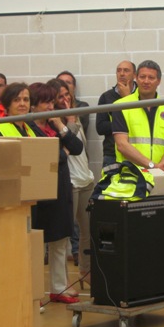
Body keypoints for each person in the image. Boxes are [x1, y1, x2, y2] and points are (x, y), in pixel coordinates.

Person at [28, 80, 84, 304]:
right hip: (38, 193)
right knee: (36, 245)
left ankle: (59, 288)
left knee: (60, 241)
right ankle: (34, 294)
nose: (51, 107)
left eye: (52, 102)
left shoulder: (53, 125)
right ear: (33, 105)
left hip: (60, 188)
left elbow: (76, 147)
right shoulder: (28, 128)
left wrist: (61, 126)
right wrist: (62, 152)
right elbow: (52, 157)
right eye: (46, 103)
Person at [54, 80, 94, 287]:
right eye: (60, 96)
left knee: (89, 230)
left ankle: (86, 271)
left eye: (67, 94)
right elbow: (67, 143)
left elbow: (79, 147)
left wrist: (72, 118)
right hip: (69, 181)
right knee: (66, 233)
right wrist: (69, 120)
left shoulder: (76, 115)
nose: (65, 99)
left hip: (85, 178)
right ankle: (62, 281)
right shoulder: (54, 122)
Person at [112, 60, 164, 174]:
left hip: (161, 175)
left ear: (158, 81)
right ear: (136, 78)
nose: (146, 81)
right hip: (133, 177)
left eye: (151, 78)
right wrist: (152, 166)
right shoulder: (121, 106)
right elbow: (122, 145)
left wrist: (159, 169)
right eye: (142, 77)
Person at [96, 60, 137, 171]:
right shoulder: (106, 97)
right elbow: (100, 127)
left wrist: (127, 98)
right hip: (112, 154)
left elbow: (140, 122)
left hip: (138, 151)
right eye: (119, 71)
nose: (122, 74)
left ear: (134, 75)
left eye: (126, 70)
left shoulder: (142, 95)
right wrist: (121, 124)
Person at [57, 70, 89, 135]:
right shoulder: (52, 110)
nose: (64, 85)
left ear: (74, 87)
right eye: (61, 82)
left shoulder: (82, 106)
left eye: (68, 82)